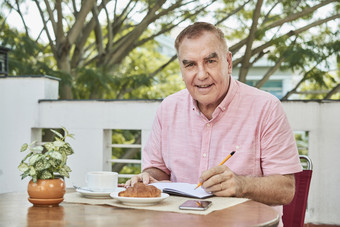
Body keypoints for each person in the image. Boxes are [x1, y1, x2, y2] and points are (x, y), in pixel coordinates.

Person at [125, 22, 302, 225]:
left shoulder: (266, 107)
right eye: (190, 64)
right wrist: (147, 178)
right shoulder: (168, 108)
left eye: (210, 61)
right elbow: (157, 169)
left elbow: (286, 190)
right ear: (182, 70)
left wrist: (240, 184)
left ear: (228, 62)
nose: (201, 75)